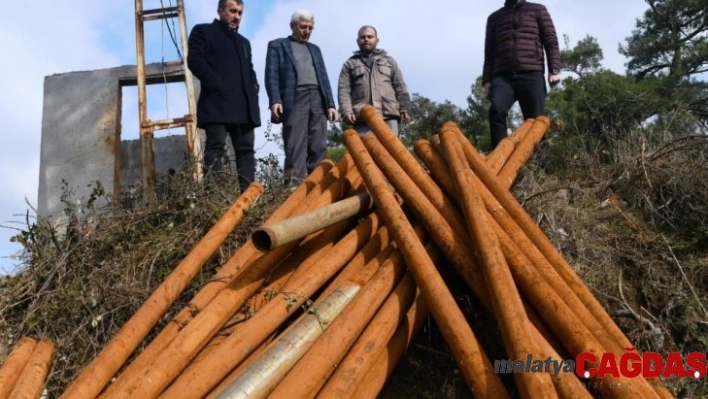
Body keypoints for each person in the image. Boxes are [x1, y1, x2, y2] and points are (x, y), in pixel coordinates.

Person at [187, 0, 260, 192]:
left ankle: (248, 200)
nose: (237, 16)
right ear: (220, 10)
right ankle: (215, 200)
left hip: (244, 106)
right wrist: (216, 82)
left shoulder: (244, 43)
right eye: (232, 11)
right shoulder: (203, 31)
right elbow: (194, 60)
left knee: (246, 151)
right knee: (216, 148)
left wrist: (253, 87)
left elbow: (250, 70)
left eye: (240, 13)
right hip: (216, 102)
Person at [264, 9, 338, 187]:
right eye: (303, 27)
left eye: (310, 28)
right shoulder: (277, 45)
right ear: (292, 26)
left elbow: (324, 77)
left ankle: (318, 186)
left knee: (319, 144)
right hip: (295, 97)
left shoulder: (315, 49)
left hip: (318, 98)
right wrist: (275, 100)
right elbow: (271, 74)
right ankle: (292, 188)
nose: (307, 31)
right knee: (296, 144)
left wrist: (331, 104)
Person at [483, 0, 561, 149]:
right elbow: (489, 52)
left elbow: (551, 40)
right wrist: (487, 80)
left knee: (536, 122)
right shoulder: (494, 18)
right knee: (496, 110)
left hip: (531, 74)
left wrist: (554, 69)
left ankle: (540, 167)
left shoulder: (538, 10)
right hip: (502, 76)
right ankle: (500, 159)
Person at [337, 25, 412, 135]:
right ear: (358, 41)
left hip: (388, 116)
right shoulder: (350, 64)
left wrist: (405, 108)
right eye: (363, 37)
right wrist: (347, 112)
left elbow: (400, 86)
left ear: (377, 40)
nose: (366, 39)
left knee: (391, 151)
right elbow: (343, 91)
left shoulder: (389, 61)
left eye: (370, 36)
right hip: (362, 119)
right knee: (365, 151)